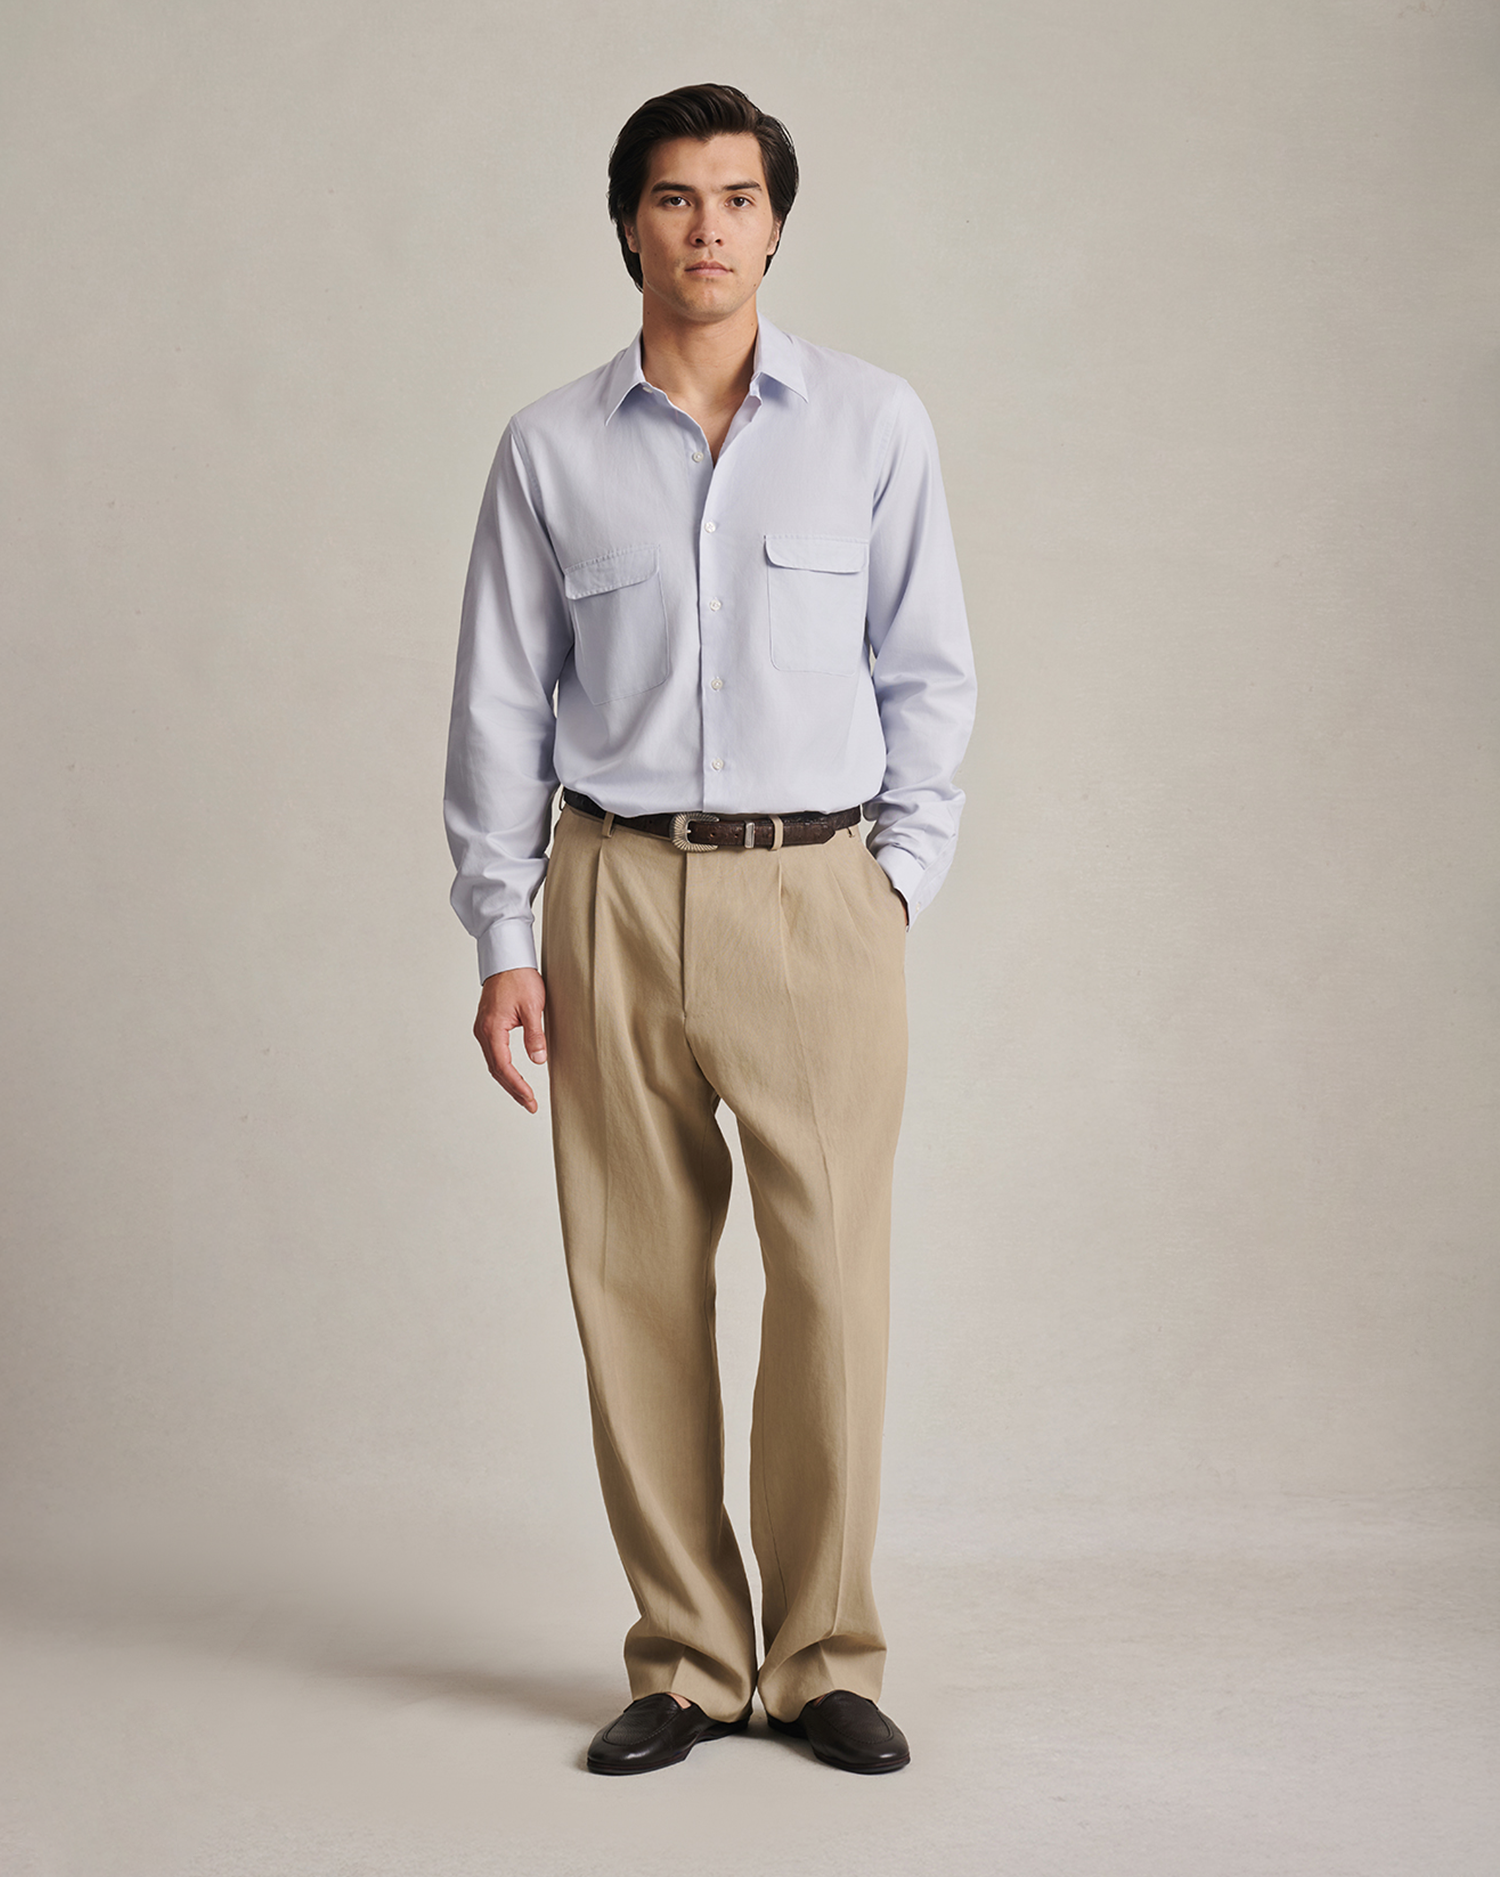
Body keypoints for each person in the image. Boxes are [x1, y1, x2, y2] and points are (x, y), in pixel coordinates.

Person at [445, 82, 976, 1776]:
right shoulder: (549, 448)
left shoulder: (872, 423)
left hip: (816, 894)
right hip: (607, 892)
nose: (708, 228)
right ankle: (685, 1658)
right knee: (634, 1285)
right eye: (675, 198)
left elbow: (930, 670)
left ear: (776, 224)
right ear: (629, 225)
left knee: (831, 1285)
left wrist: (894, 880)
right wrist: (505, 935)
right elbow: (499, 706)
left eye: (738, 198)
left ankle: (819, 1657)